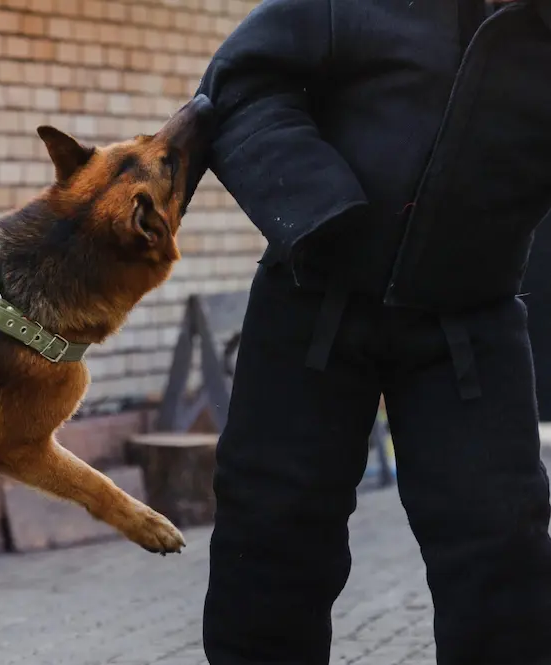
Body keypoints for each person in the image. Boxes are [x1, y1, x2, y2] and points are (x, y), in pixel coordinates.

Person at [190, 0, 551, 663]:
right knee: (271, 534)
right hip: (312, 302)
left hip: (471, 320)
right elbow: (240, 78)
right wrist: (317, 208)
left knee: (504, 543)